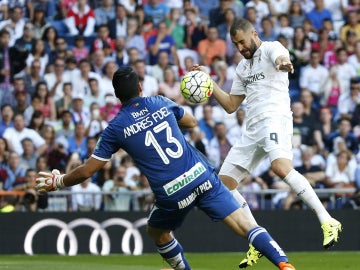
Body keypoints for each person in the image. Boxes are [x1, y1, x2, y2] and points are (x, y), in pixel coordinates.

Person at [36, 66, 296, 270]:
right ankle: (283, 262)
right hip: (201, 175)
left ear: (117, 96)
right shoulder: (160, 102)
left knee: (156, 231)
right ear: (140, 87)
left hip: (172, 192)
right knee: (244, 224)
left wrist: (57, 182)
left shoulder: (115, 128)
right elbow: (193, 122)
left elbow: (86, 171)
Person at [192, 18, 342, 267]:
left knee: (280, 167)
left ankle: (327, 219)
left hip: (275, 119)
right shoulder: (242, 68)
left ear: (254, 33)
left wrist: (284, 64)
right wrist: (209, 83)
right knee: (224, 185)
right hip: (251, 129)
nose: (240, 47)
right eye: (235, 44)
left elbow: (282, 60)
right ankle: (257, 240)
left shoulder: (272, 49)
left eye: (242, 41)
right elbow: (231, 105)